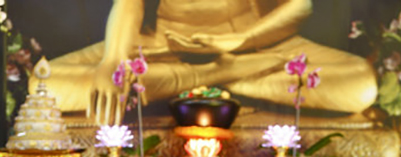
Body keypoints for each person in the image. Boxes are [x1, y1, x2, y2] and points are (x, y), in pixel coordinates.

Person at [34, 0, 377, 124]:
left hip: (254, 41)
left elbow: (299, 6)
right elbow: (129, 3)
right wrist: (113, 60)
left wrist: (237, 42)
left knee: (360, 84)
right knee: (43, 84)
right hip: (164, 41)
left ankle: (190, 77)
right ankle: (216, 73)